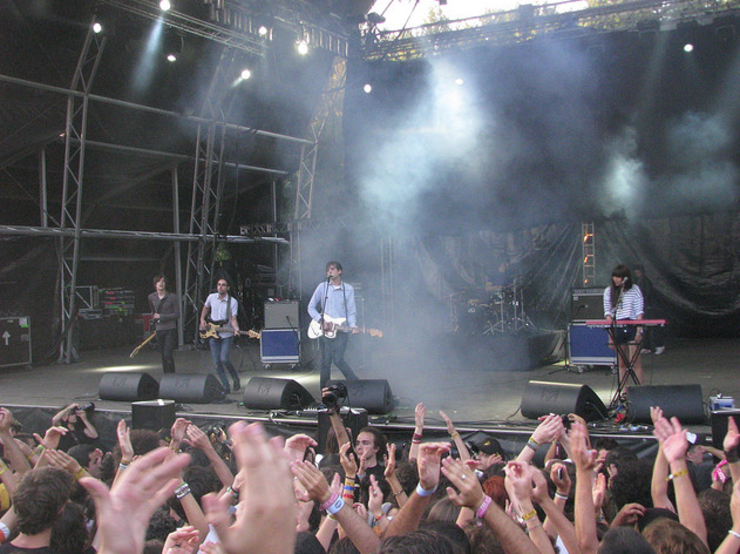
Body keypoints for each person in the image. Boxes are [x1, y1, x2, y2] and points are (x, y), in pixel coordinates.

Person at [307, 261, 359, 388]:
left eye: (332, 269)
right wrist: (321, 320)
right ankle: (324, 393)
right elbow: (311, 307)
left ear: (339, 271)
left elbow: (351, 311)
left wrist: (353, 325)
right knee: (325, 363)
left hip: (341, 330)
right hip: (326, 330)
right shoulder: (322, 287)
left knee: (338, 359)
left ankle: (357, 385)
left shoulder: (348, 289)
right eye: (328, 270)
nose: (329, 272)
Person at [603, 264, 645, 386]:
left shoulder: (635, 289)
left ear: (625, 278)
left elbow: (639, 312)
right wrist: (610, 336)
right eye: (614, 276)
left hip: (632, 326)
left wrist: (639, 331)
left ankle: (641, 391)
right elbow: (608, 313)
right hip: (617, 327)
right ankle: (623, 395)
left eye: (619, 277)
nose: (616, 279)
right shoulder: (609, 291)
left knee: (635, 362)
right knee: (621, 363)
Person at [200, 278, 241, 393]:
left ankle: (235, 378)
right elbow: (205, 308)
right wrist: (202, 319)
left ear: (228, 288)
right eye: (219, 285)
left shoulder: (232, 302)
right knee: (217, 362)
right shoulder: (211, 297)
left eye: (223, 285)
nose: (220, 287)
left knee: (224, 359)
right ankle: (226, 386)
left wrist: (236, 328)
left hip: (226, 335)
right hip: (213, 334)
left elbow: (233, 318)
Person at [147, 275, 180, 374]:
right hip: (159, 329)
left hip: (170, 328)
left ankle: (172, 375)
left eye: (163, 281)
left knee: (168, 355)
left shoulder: (172, 297)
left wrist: (161, 316)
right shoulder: (151, 297)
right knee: (163, 356)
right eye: (159, 282)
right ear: (155, 285)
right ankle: (167, 375)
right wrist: (154, 318)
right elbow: (152, 311)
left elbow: (177, 314)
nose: (161, 283)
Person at [632, 264, 665, 355]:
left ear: (642, 272)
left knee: (653, 327)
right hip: (643, 308)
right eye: (636, 273)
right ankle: (647, 346)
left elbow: (647, 295)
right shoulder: (638, 282)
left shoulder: (646, 282)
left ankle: (659, 346)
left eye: (638, 272)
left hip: (649, 308)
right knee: (644, 328)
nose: (637, 274)